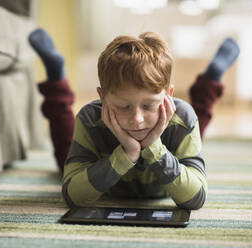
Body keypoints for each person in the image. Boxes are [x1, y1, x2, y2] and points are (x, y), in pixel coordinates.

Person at [29, 29, 239, 210]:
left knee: (192, 120)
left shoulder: (180, 119)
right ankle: (56, 76)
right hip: (103, 162)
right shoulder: (91, 119)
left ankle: (212, 78)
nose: (137, 120)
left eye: (148, 106)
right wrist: (126, 154)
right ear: (102, 98)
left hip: (169, 140)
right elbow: (72, 195)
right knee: (65, 151)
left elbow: (196, 198)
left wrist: (154, 146)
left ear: (168, 95)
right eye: (122, 106)